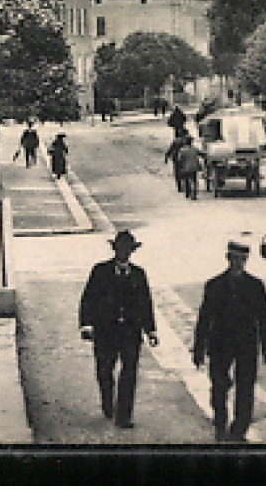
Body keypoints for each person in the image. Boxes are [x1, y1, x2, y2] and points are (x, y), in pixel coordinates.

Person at [192, 240, 266, 443]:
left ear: (246, 261)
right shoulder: (214, 285)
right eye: (234, 258)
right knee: (219, 386)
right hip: (220, 343)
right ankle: (220, 424)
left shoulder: (255, 286)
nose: (238, 263)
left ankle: (239, 430)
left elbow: (265, 318)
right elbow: (204, 318)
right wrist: (198, 349)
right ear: (228, 259)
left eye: (242, 259)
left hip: (247, 343)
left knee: (245, 387)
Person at [78, 230, 158, 429]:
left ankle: (124, 415)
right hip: (105, 332)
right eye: (121, 248)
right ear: (115, 249)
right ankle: (107, 401)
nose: (124, 253)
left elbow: (145, 303)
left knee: (129, 372)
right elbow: (88, 299)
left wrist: (151, 330)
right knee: (105, 370)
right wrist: (86, 324)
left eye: (128, 249)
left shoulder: (139, 275)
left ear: (132, 252)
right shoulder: (100, 271)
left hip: (130, 332)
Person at [175, 136, 203, 201]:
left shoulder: (182, 150)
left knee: (187, 180)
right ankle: (195, 193)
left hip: (186, 167)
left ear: (185, 142)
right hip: (194, 167)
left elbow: (179, 159)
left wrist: (180, 166)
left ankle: (188, 193)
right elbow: (201, 154)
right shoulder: (194, 149)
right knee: (194, 180)